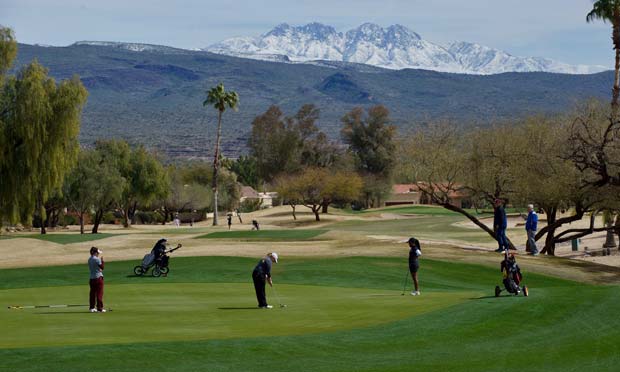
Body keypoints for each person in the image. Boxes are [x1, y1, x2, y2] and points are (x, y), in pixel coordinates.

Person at [88, 246, 106, 313]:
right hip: (98, 278)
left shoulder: (89, 259)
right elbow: (102, 267)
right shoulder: (97, 259)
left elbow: (95, 268)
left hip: (91, 278)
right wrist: (102, 261)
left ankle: (92, 308)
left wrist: (99, 269)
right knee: (99, 293)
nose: (98, 254)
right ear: (95, 253)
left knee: (92, 293)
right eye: (97, 253)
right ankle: (100, 308)